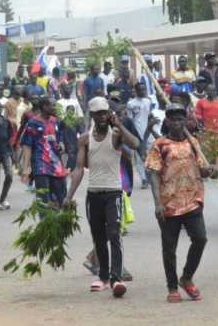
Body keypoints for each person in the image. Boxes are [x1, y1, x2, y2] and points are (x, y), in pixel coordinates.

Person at [66, 96, 139, 298]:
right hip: (94, 194)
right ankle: (103, 277)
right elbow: (79, 169)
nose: (102, 117)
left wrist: (120, 126)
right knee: (98, 237)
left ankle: (116, 279)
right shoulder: (84, 139)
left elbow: (135, 143)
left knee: (114, 234)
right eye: (98, 113)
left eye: (105, 113)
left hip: (114, 192)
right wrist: (69, 195)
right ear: (92, 115)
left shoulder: (116, 135)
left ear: (109, 114)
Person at [146, 103, 210, 303]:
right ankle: (172, 287)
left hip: (192, 200)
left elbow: (203, 169)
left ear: (185, 121)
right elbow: (154, 174)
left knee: (200, 239)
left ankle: (187, 277)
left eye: (180, 119)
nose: (176, 122)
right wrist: (157, 203)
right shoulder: (160, 145)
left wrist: (210, 170)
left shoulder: (193, 143)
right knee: (169, 248)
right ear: (167, 121)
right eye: (173, 119)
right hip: (169, 203)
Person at [21, 96, 69, 208]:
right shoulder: (33, 123)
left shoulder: (56, 121)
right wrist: (25, 168)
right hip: (40, 165)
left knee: (61, 195)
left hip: (56, 165)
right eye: (52, 105)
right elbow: (27, 146)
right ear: (44, 107)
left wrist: (61, 145)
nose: (54, 107)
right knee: (44, 199)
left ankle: (58, 220)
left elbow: (60, 138)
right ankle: (45, 222)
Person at [127, 83, 153, 189]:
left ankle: (151, 177)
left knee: (151, 156)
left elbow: (149, 116)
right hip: (137, 133)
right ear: (136, 91)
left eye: (144, 89)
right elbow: (130, 120)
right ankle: (144, 179)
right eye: (140, 90)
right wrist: (133, 135)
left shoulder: (148, 101)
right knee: (139, 158)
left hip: (149, 133)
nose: (143, 91)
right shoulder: (131, 104)